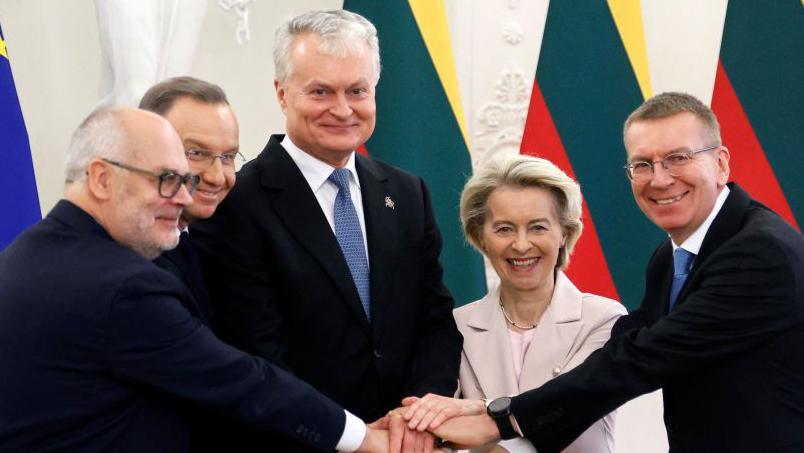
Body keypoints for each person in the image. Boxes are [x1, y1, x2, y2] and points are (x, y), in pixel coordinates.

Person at [403, 92, 804, 452]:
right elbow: (629, 347)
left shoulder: (759, 251)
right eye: (643, 164)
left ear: (720, 163)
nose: (660, 179)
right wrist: (487, 410)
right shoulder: (669, 258)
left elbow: (637, 361)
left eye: (678, 158)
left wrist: (499, 419)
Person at [0, 107, 390, 452]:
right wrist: (365, 438)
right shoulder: (121, 286)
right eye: (167, 180)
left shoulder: (23, 255)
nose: (185, 199)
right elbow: (242, 382)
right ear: (102, 178)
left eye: (186, 182)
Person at [190, 9, 462, 451]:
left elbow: (434, 320)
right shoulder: (237, 203)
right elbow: (256, 354)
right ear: (281, 94)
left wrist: (417, 417)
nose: (342, 109)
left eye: (357, 90)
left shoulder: (408, 193)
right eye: (321, 91)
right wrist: (355, 438)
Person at [406, 155, 626, 452]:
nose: (521, 245)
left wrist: (478, 418)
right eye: (504, 229)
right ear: (480, 237)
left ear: (564, 233)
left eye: (538, 227)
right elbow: (438, 434)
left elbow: (568, 415)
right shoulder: (455, 326)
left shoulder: (604, 320)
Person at [140, 75, 241, 325]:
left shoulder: (200, 242)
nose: (217, 177)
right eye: (196, 153)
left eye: (228, 156)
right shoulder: (135, 259)